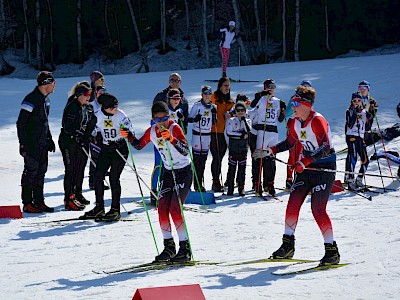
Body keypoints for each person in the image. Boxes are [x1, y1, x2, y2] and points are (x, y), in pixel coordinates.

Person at [253, 85, 340, 266]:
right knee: (293, 203)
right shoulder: (294, 122)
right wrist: (270, 150)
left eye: (296, 103)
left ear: (306, 104)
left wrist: (304, 162)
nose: (293, 107)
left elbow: (326, 147)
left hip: (324, 167)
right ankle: (288, 245)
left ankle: (332, 250)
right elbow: (291, 142)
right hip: (306, 167)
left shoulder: (317, 120)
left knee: (317, 208)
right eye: (292, 103)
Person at [129, 101, 193, 263]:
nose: (162, 123)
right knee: (162, 209)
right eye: (157, 120)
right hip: (167, 173)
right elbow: (138, 145)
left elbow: (186, 151)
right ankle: (169, 247)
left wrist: (171, 139)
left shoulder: (174, 128)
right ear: (153, 120)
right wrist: (128, 136)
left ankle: (185, 249)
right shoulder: (152, 131)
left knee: (175, 209)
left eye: (164, 118)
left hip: (183, 172)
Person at [82, 93, 134, 222]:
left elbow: (130, 132)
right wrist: (84, 138)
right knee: (98, 176)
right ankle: (99, 207)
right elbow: (89, 129)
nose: (115, 109)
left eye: (116, 106)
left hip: (119, 149)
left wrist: (126, 133)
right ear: (105, 107)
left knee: (113, 178)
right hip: (106, 149)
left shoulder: (121, 115)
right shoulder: (98, 115)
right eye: (112, 107)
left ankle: (115, 209)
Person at [17, 71, 56, 213]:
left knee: (41, 172)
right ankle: (27, 203)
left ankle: (39, 201)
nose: (54, 86)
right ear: (46, 83)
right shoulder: (31, 99)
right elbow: (21, 123)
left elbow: (44, 122)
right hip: (31, 144)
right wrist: (23, 143)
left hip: (42, 143)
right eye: (53, 83)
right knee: (30, 173)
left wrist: (49, 139)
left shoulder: (46, 100)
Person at [151, 73, 189, 204]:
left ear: (180, 81)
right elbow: (154, 115)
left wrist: (182, 136)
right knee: (159, 165)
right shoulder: (161, 96)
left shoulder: (183, 100)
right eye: (172, 80)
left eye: (177, 80)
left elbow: (185, 120)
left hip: (174, 138)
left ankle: (172, 190)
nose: (174, 82)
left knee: (173, 165)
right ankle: (154, 191)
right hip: (160, 138)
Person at [59, 83, 97, 210]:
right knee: (71, 169)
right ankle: (68, 198)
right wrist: (78, 135)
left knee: (80, 168)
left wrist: (89, 134)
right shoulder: (72, 107)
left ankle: (78, 193)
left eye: (89, 95)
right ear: (79, 95)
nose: (88, 97)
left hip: (82, 141)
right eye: (86, 95)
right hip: (68, 141)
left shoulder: (88, 107)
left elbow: (92, 122)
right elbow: (68, 127)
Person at [248, 78, 286, 197]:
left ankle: (270, 183)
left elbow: (280, 119)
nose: (272, 89)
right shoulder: (261, 98)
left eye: (274, 86)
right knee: (260, 156)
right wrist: (260, 96)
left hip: (273, 132)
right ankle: (257, 184)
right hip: (262, 130)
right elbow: (252, 105)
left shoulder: (277, 101)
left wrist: (284, 111)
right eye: (269, 86)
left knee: (271, 158)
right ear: (265, 87)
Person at [187, 86, 217, 192]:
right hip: (197, 135)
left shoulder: (213, 107)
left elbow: (214, 122)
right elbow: (188, 119)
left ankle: (200, 183)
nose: (207, 95)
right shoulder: (197, 106)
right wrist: (196, 119)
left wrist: (214, 117)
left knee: (203, 160)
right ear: (202, 95)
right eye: (205, 93)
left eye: (209, 93)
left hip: (207, 135)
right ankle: (195, 184)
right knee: (196, 160)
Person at [285, 80, 312, 189]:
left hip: (303, 125)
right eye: (304, 87)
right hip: (294, 125)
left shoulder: (309, 100)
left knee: (302, 151)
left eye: (308, 88)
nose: (305, 90)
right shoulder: (294, 98)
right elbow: (287, 113)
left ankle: (300, 177)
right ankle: (289, 178)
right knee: (293, 152)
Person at [344, 92, 373, 190]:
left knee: (365, 159)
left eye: (358, 100)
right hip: (351, 136)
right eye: (354, 100)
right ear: (352, 102)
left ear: (361, 102)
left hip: (360, 137)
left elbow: (367, 127)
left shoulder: (364, 112)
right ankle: (350, 180)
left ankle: (359, 179)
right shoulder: (350, 111)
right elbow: (350, 124)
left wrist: (371, 115)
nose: (356, 102)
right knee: (353, 157)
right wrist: (355, 113)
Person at [210, 76, 235, 192]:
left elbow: (234, 113)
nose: (227, 88)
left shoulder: (230, 101)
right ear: (220, 86)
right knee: (217, 157)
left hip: (226, 133)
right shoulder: (214, 97)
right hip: (214, 131)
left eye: (228, 85)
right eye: (225, 85)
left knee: (222, 156)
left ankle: (225, 180)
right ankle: (216, 180)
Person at [225, 101, 251, 196]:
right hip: (233, 147)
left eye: (242, 110)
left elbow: (249, 131)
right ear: (235, 111)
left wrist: (244, 120)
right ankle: (230, 188)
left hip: (243, 148)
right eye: (238, 110)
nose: (240, 112)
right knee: (231, 169)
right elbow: (229, 132)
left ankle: (241, 188)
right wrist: (241, 135)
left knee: (242, 169)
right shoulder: (231, 120)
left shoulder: (248, 121)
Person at [88, 85, 111, 191]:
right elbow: (89, 121)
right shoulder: (92, 105)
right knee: (95, 158)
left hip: (105, 135)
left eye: (104, 93)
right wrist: (92, 132)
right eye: (100, 93)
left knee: (104, 158)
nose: (102, 96)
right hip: (95, 135)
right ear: (96, 94)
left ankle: (99, 180)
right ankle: (93, 182)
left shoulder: (107, 104)